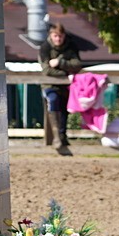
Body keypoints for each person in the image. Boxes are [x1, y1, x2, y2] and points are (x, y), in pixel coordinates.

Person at [39, 22, 83, 155]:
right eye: (55, 36)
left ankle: (63, 136)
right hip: (50, 85)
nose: (58, 39)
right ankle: (56, 136)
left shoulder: (71, 46)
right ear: (51, 36)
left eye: (60, 36)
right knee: (53, 101)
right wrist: (66, 73)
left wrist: (60, 63)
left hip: (68, 86)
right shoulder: (45, 48)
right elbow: (47, 70)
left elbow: (77, 64)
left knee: (65, 110)